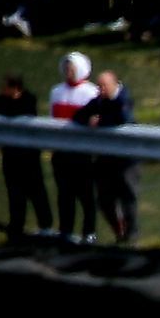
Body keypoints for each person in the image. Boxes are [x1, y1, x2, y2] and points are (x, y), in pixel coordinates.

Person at [0, 74, 53, 241]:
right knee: (14, 193)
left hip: (29, 157)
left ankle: (46, 226)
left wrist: (5, 109)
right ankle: (16, 227)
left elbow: (21, 112)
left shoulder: (28, 99)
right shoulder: (1, 100)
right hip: (11, 156)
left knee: (36, 192)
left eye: (5, 87)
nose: (1, 90)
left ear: (15, 88)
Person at [77, 70, 138, 243]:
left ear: (114, 84)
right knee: (104, 200)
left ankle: (132, 238)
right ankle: (119, 234)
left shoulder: (124, 98)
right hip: (105, 159)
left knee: (128, 198)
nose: (101, 90)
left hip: (126, 158)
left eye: (104, 86)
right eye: (99, 86)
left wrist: (100, 121)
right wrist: (89, 119)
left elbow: (124, 118)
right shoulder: (99, 101)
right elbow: (79, 115)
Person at [48, 52, 98, 242]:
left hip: (82, 153)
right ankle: (65, 230)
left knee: (86, 195)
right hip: (61, 151)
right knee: (64, 194)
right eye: (67, 68)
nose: (69, 72)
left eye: (72, 69)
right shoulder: (56, 92)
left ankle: (89, 232)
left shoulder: (91, 92)